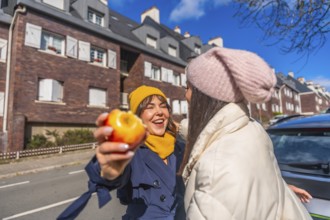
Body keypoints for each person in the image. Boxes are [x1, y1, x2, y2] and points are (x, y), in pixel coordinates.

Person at [178, 47, 312, 219]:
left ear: (203, 95)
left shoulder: (216, 166)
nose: (185, 96)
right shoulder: (252, 128)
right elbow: (211, 132)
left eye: (187, 88)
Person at [57, 85, 185, 220]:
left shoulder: (181, 148)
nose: (159, 111)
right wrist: (108, 170)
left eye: (163, 105)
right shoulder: (131, 150)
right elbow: (113, 175)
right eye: (150, 107)